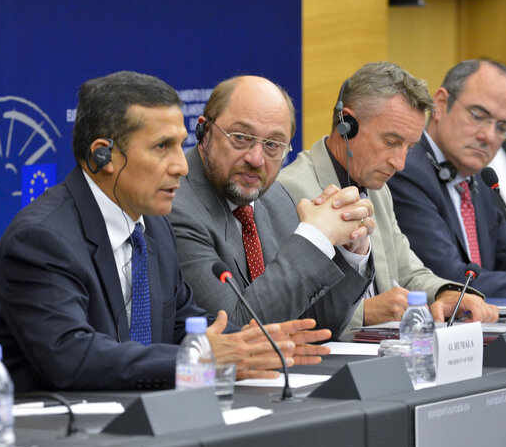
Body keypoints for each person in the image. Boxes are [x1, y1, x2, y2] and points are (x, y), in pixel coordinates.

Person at [0, 71, 331, 393]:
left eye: (180, 144)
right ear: (104, 156)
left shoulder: (152, 228)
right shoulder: (42, 240)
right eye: (162, 147)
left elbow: (184, 325)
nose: (181, 166)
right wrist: (201, 359)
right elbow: (72, 356)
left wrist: (254, 344)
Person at [278, 62, 498, 335]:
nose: (400, 163)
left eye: (410, 147)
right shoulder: (288, 191)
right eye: (391, 142)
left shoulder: (378, 189)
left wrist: (446, 293)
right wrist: (364, 313)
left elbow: (408, 273)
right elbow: (280, 309)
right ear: (347, 124)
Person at [169, 75, 375, 340]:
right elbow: (237, 330)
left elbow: (314, 326)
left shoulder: (276, 197)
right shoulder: (177, 207)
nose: (256, 159)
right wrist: (314, 238)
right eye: (241, 138)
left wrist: (350, 253)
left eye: (273, 145)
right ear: (204, 132)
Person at [388, 59, 506, 298]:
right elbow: (450, 279)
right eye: (478, 116)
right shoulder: (406, 171)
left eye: (502, 127)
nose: (488, 136)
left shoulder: (481, 181)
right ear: (441, 104)